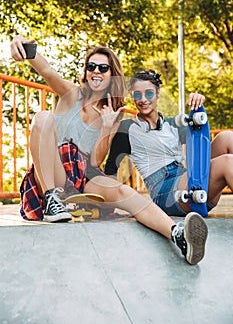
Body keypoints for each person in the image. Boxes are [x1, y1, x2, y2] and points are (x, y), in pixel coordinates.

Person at [11, 36, 208, 266]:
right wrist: (24, 46)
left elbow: (95, 160)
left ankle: (178, 236)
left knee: (123, 192)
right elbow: (47, 70)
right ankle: (51, 200)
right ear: (85, 73)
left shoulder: (113, 112)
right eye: (91, 66)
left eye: (103, 68)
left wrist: (106, 127)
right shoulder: (71, 94)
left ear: (111, 74)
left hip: (83, 175)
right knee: (43, 117)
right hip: (54, 172)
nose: (96, 71)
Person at [104, 69, 233, 217]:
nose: (143, 99)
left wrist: (197, 105)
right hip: (165, 193)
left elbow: (201, 145)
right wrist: (108, 208)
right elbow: (110, 170)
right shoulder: (126, 129)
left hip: (187, 181)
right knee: (227, 163)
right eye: (137, 95)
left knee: (227, 137)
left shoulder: (173, 125)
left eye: (149, 93)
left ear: (157, 94)